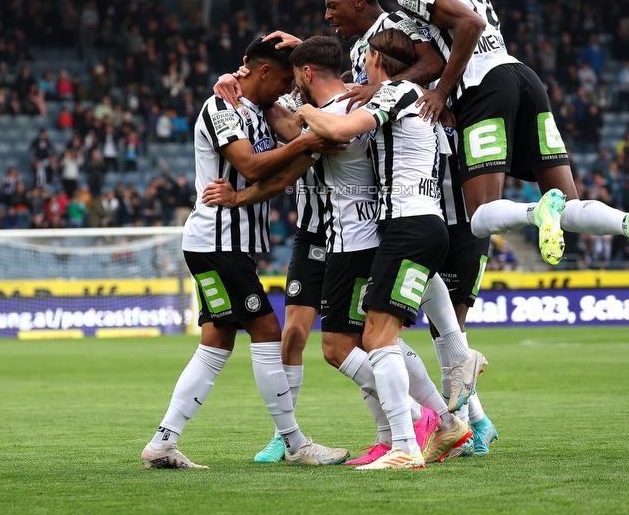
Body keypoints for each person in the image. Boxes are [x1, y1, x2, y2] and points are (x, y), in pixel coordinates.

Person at [204, 36, 482, 469]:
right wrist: (238, 82)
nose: (291, 86)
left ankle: (415, 430)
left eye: (295, 77)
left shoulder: (338, 117)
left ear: (306, 74)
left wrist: (238, 198)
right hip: (378, 233)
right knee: (366, 339)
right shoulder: (362, 104)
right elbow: (304, 103)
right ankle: (430, 422)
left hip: (353, 242)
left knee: (348, 345)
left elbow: (280, 174)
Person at [381, 0, 629, 284]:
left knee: (481, 216)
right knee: (567, 204)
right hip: (521, 75)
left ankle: (535, 212)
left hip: (483, 85)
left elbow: (470, 23)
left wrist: (443, 92)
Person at [140, 37, 347, 470]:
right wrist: (305, 144)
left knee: (216, 342)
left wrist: (309, 143)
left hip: (224, 244)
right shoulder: (221, 108)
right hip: (218, 241)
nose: (289, 87)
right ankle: (294, 442)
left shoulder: (258, 110)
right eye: (286, 79)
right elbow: (250, 165)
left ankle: (163, 442)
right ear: (265, 72)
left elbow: (295, 139)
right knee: (269, 331)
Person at [294, 29, 486, 470]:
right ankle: (448, 399)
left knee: (378, 338)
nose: (359, 71)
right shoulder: (417, 98)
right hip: (418, 225)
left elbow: (340, 127)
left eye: (365, 61)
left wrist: (301, 106)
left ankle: (406, 444)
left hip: (408, 227)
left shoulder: (399, 92)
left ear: (378, 59)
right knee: (377, 336)